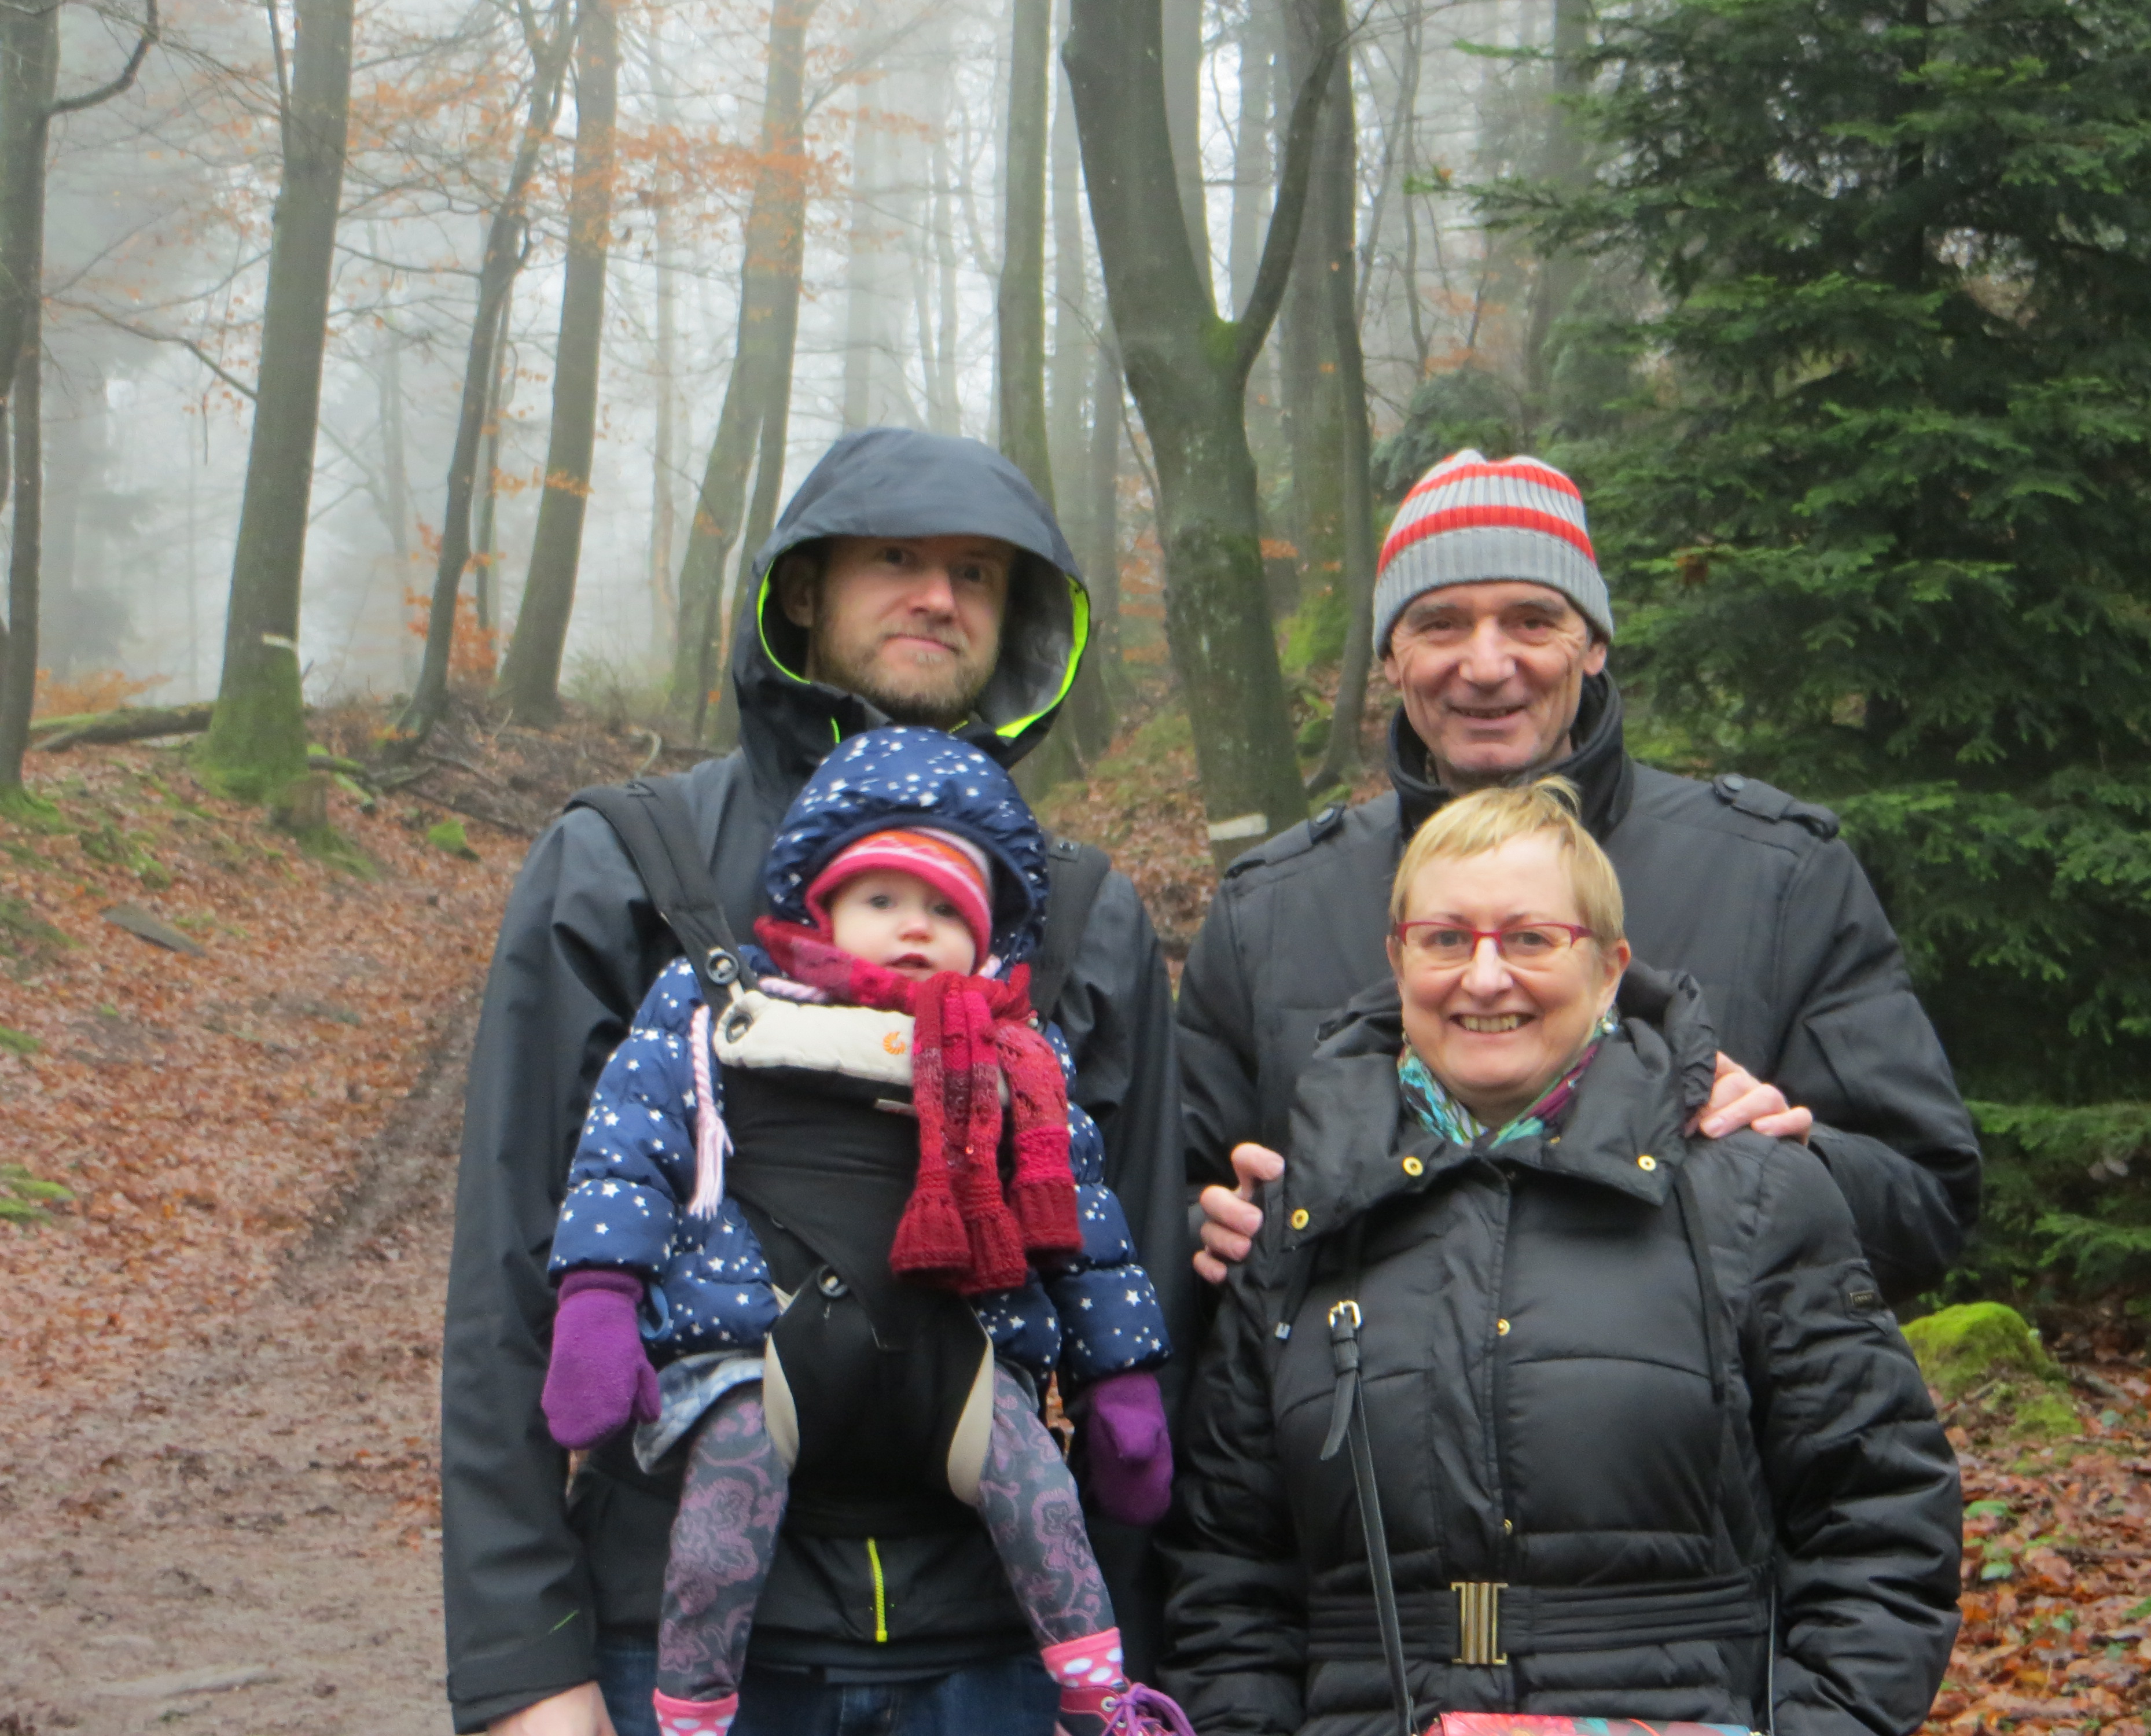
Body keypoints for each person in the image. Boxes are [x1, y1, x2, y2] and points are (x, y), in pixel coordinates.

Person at [441, 429, 1189, 1736]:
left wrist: (1127, 1668)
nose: (938, 597)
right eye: (895, 558)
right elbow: (514, 1260)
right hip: (673, 1643)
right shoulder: (630, 862)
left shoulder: (1080, 914)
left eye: (977, 573)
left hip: (1001, 1653)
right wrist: (522, 1669)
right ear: (801, 589)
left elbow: (1140, 1277)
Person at [1164, 780, 1962, 1735]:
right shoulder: (1301, 1222)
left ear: (1610, 967)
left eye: (1532, 939)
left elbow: (1881, 1521)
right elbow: (1228, 1574)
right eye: (1445, 939)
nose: (1485, 977)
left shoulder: (1750, 1199)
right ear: (1397, 959)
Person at [1182, 448, 1980, 1301]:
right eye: (1441, 624)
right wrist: (1204, 1228)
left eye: (1532, 621)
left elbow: (1927, 1205)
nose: (1486, 665)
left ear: (1594, 644)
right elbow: (1163, 1201)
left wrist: (1797, 1160)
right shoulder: (1270, 911)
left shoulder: (1776, 878)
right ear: (1389, 657)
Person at [540, 727, 1188, 1736]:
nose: (915, 926)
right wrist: (598, 1299)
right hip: (756, 1347)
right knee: (730, 1488)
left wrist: (1121, 1382)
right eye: (883, 899)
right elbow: (629, 1149)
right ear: (823, 905)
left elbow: (1087, 1229)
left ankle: (1098, 1696)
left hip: (958, 1354)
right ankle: (694, 1711)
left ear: (991, 932)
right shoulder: (719, 1015)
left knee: (1036, 1486)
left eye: (947, 908)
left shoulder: (1019, 1059)